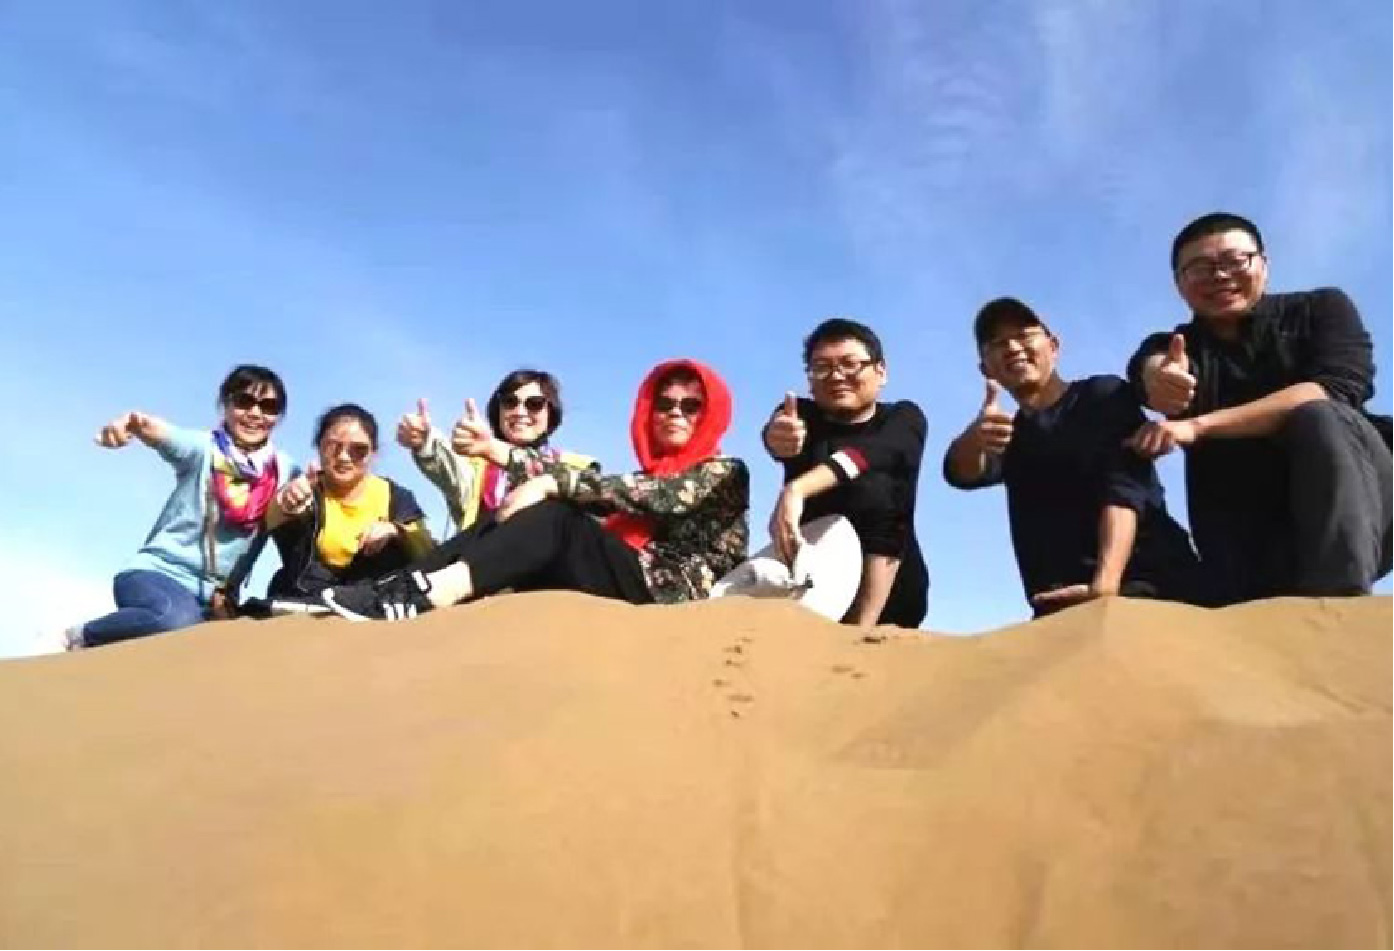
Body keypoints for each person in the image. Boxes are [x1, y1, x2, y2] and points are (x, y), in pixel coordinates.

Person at [320, 359, 749, 621]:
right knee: (518, 512)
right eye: (664, 404)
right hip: (613, 580)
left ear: (712, 413)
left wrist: (549, 483)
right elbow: (545, 474)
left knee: (556, 514)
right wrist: (493, 451)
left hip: (669, 597)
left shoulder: (726, 472)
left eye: (691, 406)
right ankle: (394, 590)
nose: (675, 413)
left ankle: (430, 596)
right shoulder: (642, 472)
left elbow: (659, 494)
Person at [1126, 212, 1392, 604]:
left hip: (1363, 510)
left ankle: (1338, 606)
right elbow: (1151, 369)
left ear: (1263, 265)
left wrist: (1198, 425)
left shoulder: (1321, 309)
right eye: (1200, 268)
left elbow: (1335, 389)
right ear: (1180, 284)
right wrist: (1157, 380)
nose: (1220, 275)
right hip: (1246, 552)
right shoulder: (1176, 347)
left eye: (1235, 260)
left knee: (1319, 415)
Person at [943, 298, 1203, 616]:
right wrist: (974, 437)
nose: (1012, 347)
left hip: (1152, 590)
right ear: (986, 368)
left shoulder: (1103, 396)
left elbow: (1124, 491)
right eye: (997, 343)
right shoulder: (1009, 435)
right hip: (1062, 603)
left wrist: (1105, 585)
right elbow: (960, 473)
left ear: (1053, 346)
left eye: (1024, 335)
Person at [65, 365, 295, 649]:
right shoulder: (204, 449)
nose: (255, 413)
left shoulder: (284, 471)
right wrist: (130, 423)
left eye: (268, 406)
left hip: (217, 599)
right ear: (225, 404)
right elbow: (160, 432)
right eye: (244, 401)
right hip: (157, 575)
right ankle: (79, 636)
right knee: (174, 620)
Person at [762, 318, 929, 628]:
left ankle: (859, 632)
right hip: (811, 587)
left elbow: (878, 453)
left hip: (892, 596)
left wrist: (798, 489)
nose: (837, 376)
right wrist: (777, 439)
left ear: (881, 371)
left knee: (878, 483)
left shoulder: (904, 417)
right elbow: (779, 433)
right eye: (822, 367)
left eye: (850, 364)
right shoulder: (800, 415)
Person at [244, 404, 434, 610]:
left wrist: (396, 531)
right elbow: (272, 518)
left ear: (373, 453)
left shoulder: (395, 496)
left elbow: (426, 551)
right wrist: (286, 502)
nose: (344, 457)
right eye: (333, 446)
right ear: (319, 448)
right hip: (306, 601)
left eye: (358, 449)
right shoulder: (307, 490)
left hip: (375, 604)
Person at [396, 369, 597, 535]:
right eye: (510, 402)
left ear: (550, 414)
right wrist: (424, 441)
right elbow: (446, 464)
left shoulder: (577, 466)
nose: (520, 412)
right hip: (479, 566)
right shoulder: (478, 469)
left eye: (534, 404)